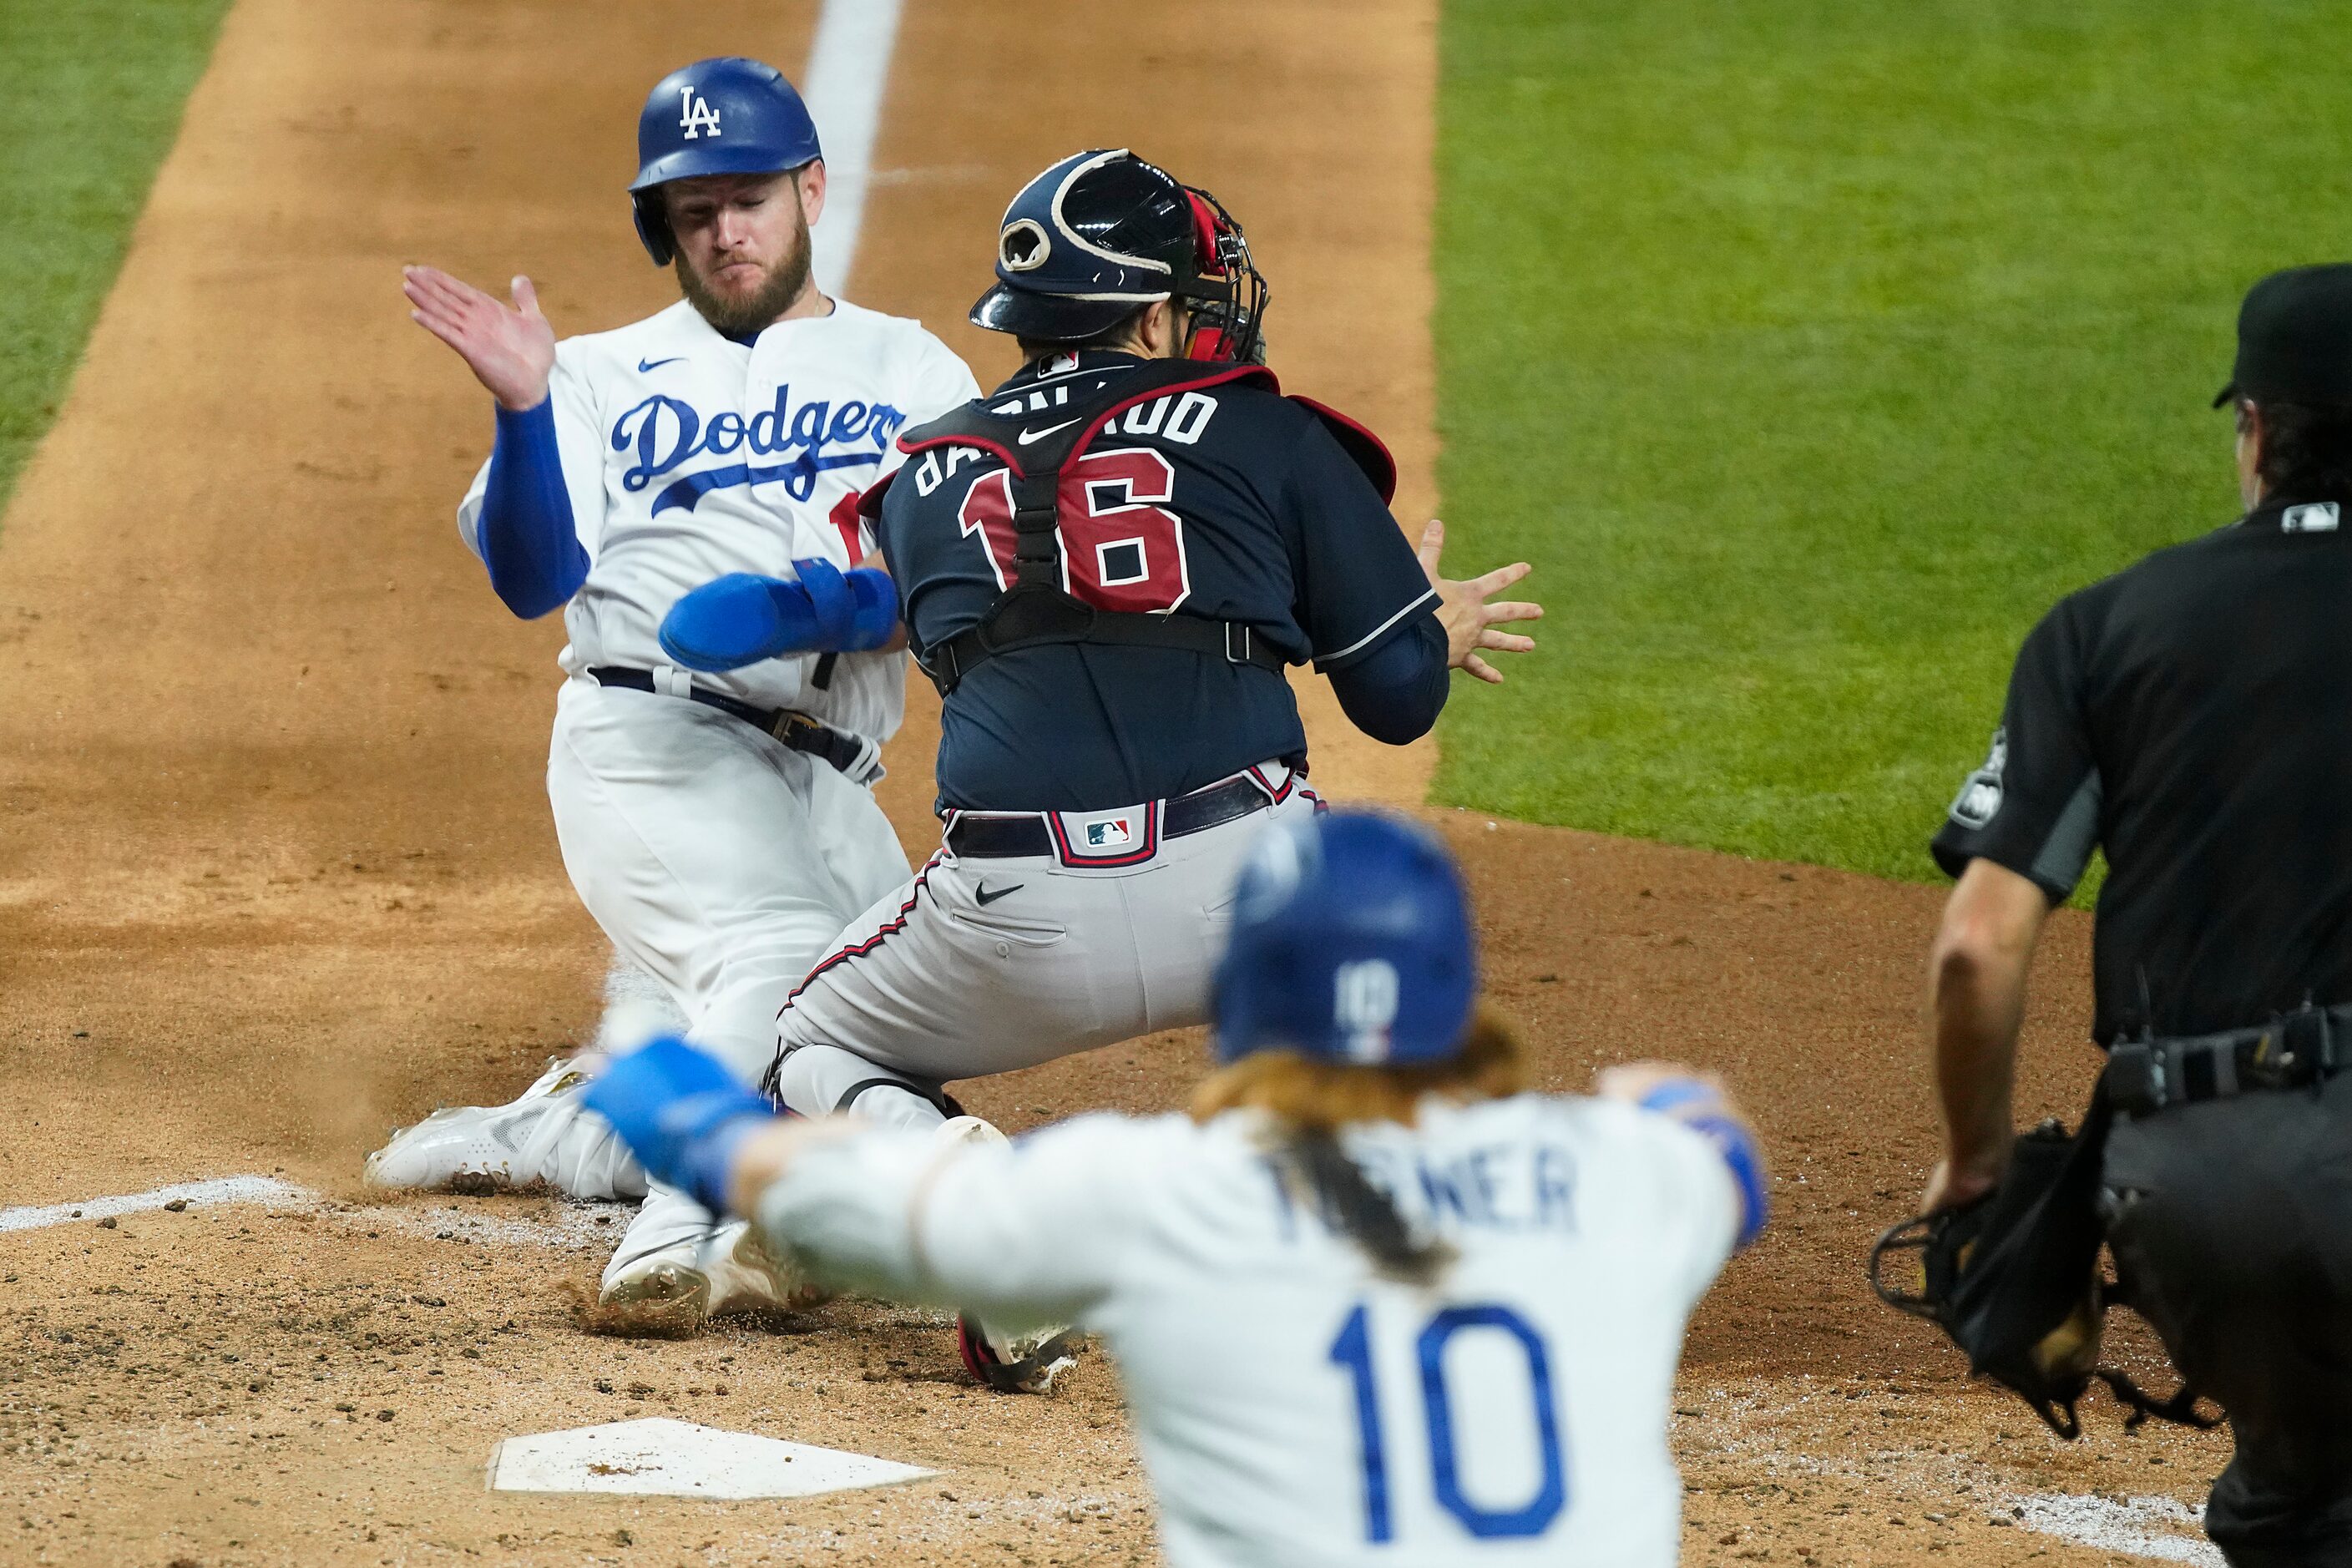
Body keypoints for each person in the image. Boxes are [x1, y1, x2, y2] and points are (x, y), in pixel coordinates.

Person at [655, 146, 1543, 1384]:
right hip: (1251, 902)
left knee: (806, 1042)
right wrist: (1418, 627)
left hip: (1015, 920)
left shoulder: (919, 475)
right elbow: (1395, 705)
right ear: (1147, 307)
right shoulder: (1266, 427)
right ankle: (1390, 1244)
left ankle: (985, 1213)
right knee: (1387, 924)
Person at [583, 809, 1766, 1565]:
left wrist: (697, 1121)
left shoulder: (1154, 1191)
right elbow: (1720, 1158)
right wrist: (1653, 1109)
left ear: (1247, 990)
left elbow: (854, 1202)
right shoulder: (1623, 1177)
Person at [364, 57, 981, 1334]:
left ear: (810, 188)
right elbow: (536, 577)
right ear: (663, 225)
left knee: (864, 1042)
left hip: (828, 775)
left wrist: (825, 607)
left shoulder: (913, 371)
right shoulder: (591, 373)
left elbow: (961, 578)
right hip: (650, 739)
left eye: (749, 198)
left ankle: (579, 1131)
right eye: (694, 211)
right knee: (776, 960)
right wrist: (526, 412)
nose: (726, 231)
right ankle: (674, 1232)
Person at [1920, 264, 2352, 1565]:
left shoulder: (2106, 630)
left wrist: (1980, 1167)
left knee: (2296, 1492)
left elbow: (1976, 943)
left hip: (2215, 1183)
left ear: (2258, 434)